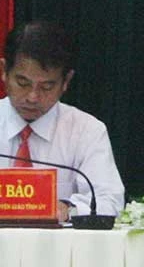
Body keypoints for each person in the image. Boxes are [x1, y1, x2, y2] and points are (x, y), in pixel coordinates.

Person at [0, 20, 125, 221]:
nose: (33, 97)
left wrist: (68, 208)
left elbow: (110, 201)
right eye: (23, 83)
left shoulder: (87, 131)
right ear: (4, 71)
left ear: (66, 81)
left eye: (46, 87)